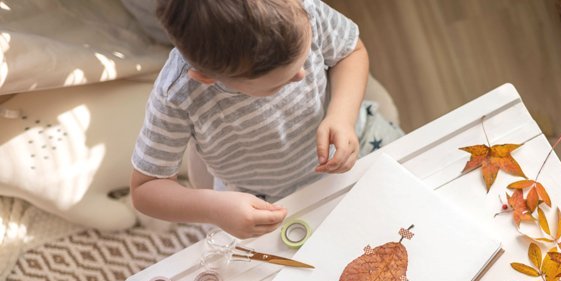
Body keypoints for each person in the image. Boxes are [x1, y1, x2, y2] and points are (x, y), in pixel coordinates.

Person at [130, 0, 402, 238]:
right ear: (207, 77)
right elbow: (146, 189)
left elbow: (350, 51)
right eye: (278, 85)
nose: (301, 76)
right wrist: (216, 208)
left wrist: (341, 115)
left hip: (358, 141)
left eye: (303, 59)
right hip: (264, 201)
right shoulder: (177, 96)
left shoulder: (302, 9)